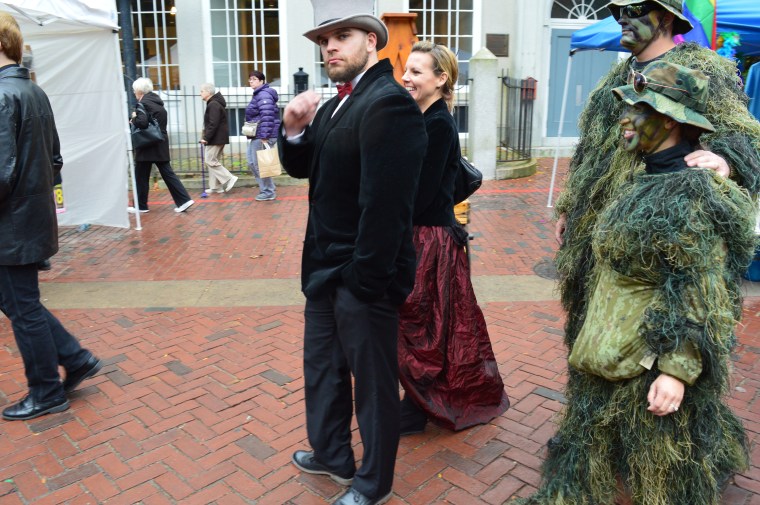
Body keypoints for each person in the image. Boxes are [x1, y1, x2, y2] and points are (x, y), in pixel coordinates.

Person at [516, 60, 757, 505]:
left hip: (644, 370)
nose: (623, 120)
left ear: (669, 121)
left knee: (660, 484)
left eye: (637, 110)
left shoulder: (691, 193)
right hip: (607, 355)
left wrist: (675, 373)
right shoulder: (643, 178)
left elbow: (701, 292)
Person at [280, 1, 427, 504]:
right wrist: (293, 128)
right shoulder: (336, 104)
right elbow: (305, 169)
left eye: (341, 36)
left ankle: (373, 483)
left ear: (371, 40)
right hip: (324, 269)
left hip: (362, 276)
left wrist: (365, 281)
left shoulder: (389, 103)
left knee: (373, 385)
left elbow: (388, 206)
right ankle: (332, 456)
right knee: (322, 369)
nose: (330, 48)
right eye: (325, 41)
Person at [553, 0, 760, 356]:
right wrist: (570, 205)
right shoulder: (614, 80)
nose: (623, 19)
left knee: (651, 342)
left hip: (655, 238)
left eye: (634, 10)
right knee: (596, 340)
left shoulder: (698, 69)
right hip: (597, 236)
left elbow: (743, 133)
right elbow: (590, 150)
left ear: (665, 16)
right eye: (619, 12)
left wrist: (726, 159)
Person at [397, 41, 509, 436]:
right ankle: (415, 403)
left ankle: (417, 407)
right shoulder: (424, 117)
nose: (406, 77)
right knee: (425, 325)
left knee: (422, 326)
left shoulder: (438, 124)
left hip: (429, 239)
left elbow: (422, 194)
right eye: (406, 69)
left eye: (416, 72)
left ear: (440, 78)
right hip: (424, 234)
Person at [0, 12, 102, 421]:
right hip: (28, 218)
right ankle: (74, 358)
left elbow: (2, 173)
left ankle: (46, 391)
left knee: (22, 307)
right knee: (17, 302)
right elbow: (54, 159)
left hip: (11, 225)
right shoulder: (33, 90)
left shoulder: (4, 95)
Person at [129, 77, 194, 213]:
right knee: (167, 173)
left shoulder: (142, 104)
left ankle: (140, 206)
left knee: (140, 176)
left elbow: (142, 123)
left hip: (146, 145)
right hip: (160, 143)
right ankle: (184, 200)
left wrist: (133, 118)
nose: (134, 93)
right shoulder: (157, 103)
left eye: (134, 90)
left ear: (140, 91)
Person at [245, 70, 280, 201]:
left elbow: (267, 116)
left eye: (254, 79)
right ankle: (268, 187)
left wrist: (264, 136)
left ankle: (268, 191)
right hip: (258, 134)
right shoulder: (259, 94)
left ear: (261, 81)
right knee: (252, 162)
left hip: (263, 135)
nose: (251, 81)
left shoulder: (264, 95)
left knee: (260, 164)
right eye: (250, 79)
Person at [200, 82, 237, 193]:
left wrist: (206, 137)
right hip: (217, 138)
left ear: (208, 92)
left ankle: (229, 178)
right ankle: (216, 187)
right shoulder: (214, 103)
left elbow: (213, 123)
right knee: (213, 161)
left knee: (210, 160)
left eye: (202, 91)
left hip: (215, 138)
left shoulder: (213, 104)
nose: (200, 93)